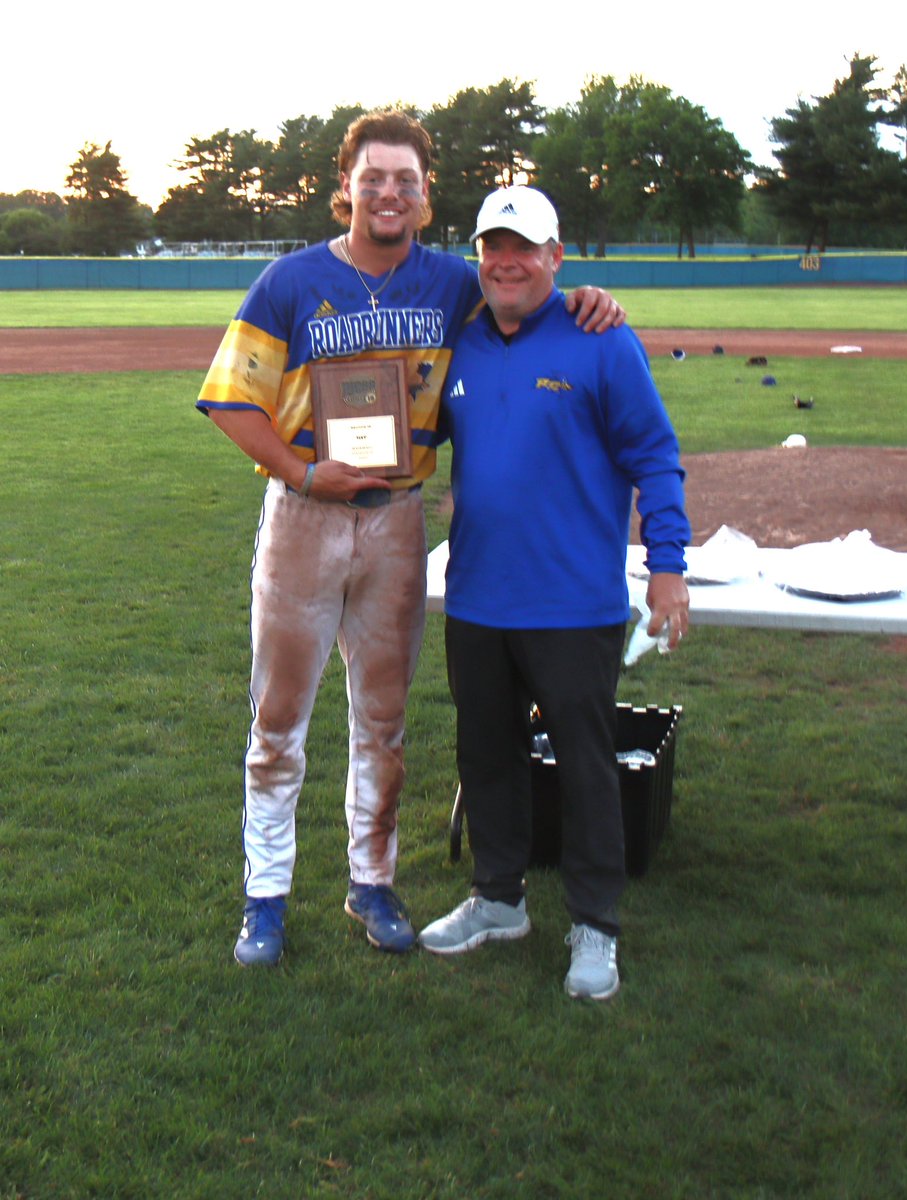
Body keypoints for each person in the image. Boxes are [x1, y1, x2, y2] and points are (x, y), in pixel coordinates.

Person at [196, 112, 623, 967]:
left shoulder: (453, 284)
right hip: (304, 519)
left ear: (425, 200)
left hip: (396, 522)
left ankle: (372, 881)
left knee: (383, 721)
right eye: (373, 177)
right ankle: (266, 895)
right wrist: (302, 471)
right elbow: (232, 401)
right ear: (345, 186)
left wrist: (587, 299)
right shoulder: (289, 279)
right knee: (277, 720)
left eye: (405, 181)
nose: (388, 192)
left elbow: (523, 303)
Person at [418, 186, 691, 1001]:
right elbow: (409, 436)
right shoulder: (460, 344)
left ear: (555, 257)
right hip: (476, 600)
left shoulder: (601, 338)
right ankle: (498, 899)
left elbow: (655, 455)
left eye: (523, 248)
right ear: (478, 256)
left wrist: (668, 565)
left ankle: (595, 924)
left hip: (573, 606)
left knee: (584, 769)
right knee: (488, 757)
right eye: (492, 248)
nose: (507, 262)